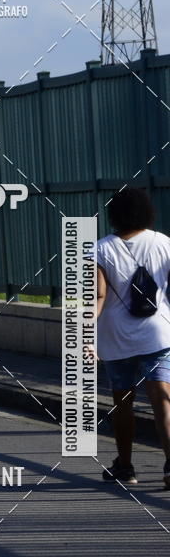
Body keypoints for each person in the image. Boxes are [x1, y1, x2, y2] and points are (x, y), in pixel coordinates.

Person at [97, 187, 170, 487]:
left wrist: (85, 334)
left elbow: (97, 295)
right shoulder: (164, 243)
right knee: (162, 399)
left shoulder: (100, 249)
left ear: (114, 214)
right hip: (158, 333)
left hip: (116, 337)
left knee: (122, 402)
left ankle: (125, 468)